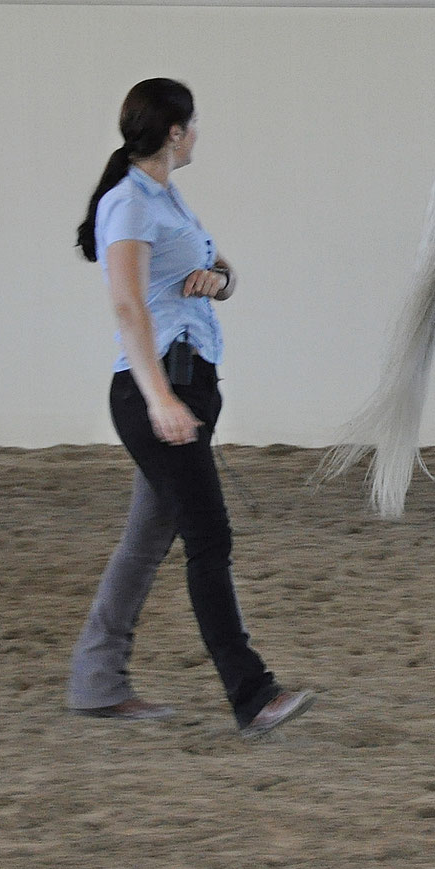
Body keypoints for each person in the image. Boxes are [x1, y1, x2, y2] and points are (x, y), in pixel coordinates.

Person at [67, 77, 313, 737]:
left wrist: (219, 281)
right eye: (193, 123)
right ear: (174, 132)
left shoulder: (166, 199)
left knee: (146, 540)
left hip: (192, 381)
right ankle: (252, 694)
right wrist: (159, 400)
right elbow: (127, 305)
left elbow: (220, 270)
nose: (198, 133)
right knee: (209, 538)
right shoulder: (128, 205)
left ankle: (97, 681)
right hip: (159, 390)